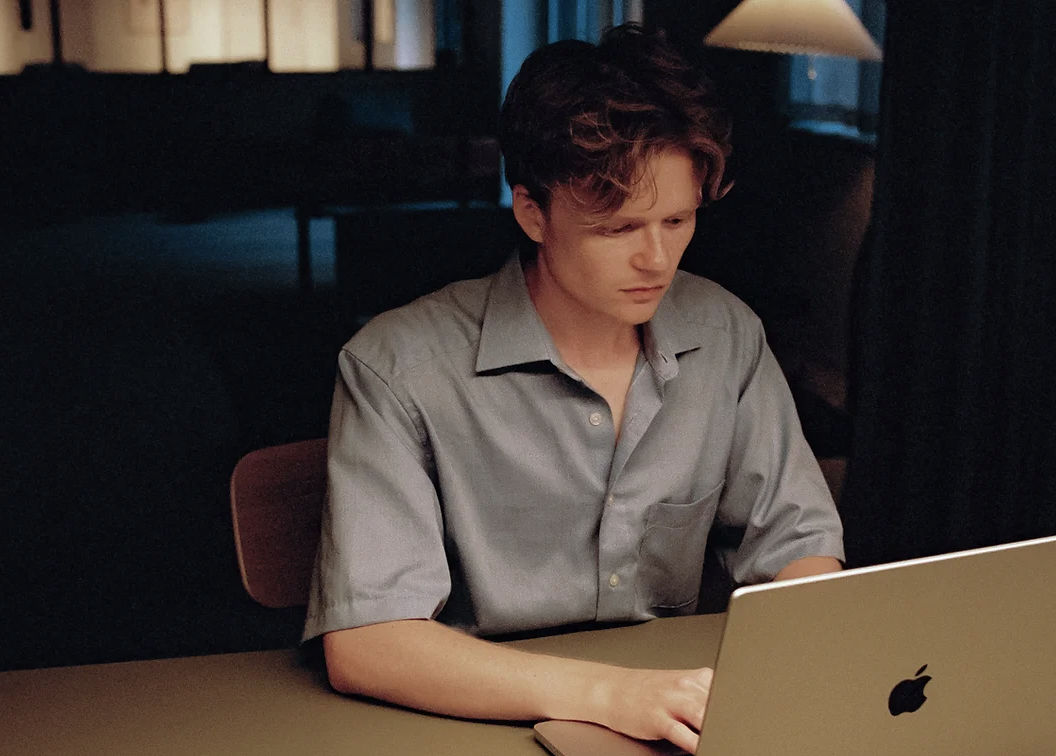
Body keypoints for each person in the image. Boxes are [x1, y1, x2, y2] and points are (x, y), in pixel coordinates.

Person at [303, 24, 844, 754]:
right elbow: (366, 644)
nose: (657, 258)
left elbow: (799, 546)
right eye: (618, 227)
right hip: (460, 719)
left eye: (677, 220)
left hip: (672, 718)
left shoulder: (725, 334)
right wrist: (611, 695)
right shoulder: (396, 366)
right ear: (533, 212)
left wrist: (798, 671)